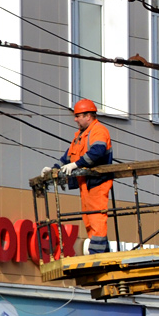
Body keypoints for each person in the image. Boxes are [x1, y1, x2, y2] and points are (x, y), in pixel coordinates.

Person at [43, 99, 114, 254]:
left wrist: (75, 165)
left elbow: (97, 152)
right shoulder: (81, 136)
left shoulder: (98, 131)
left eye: (78, 116)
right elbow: (68, 158)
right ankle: (100, 252)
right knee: (89, 219)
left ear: (88, 116)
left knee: (96, 217)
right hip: (86, 184)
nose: (75, 119)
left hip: (97, 182)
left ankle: (98, 255)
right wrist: (54, 169)